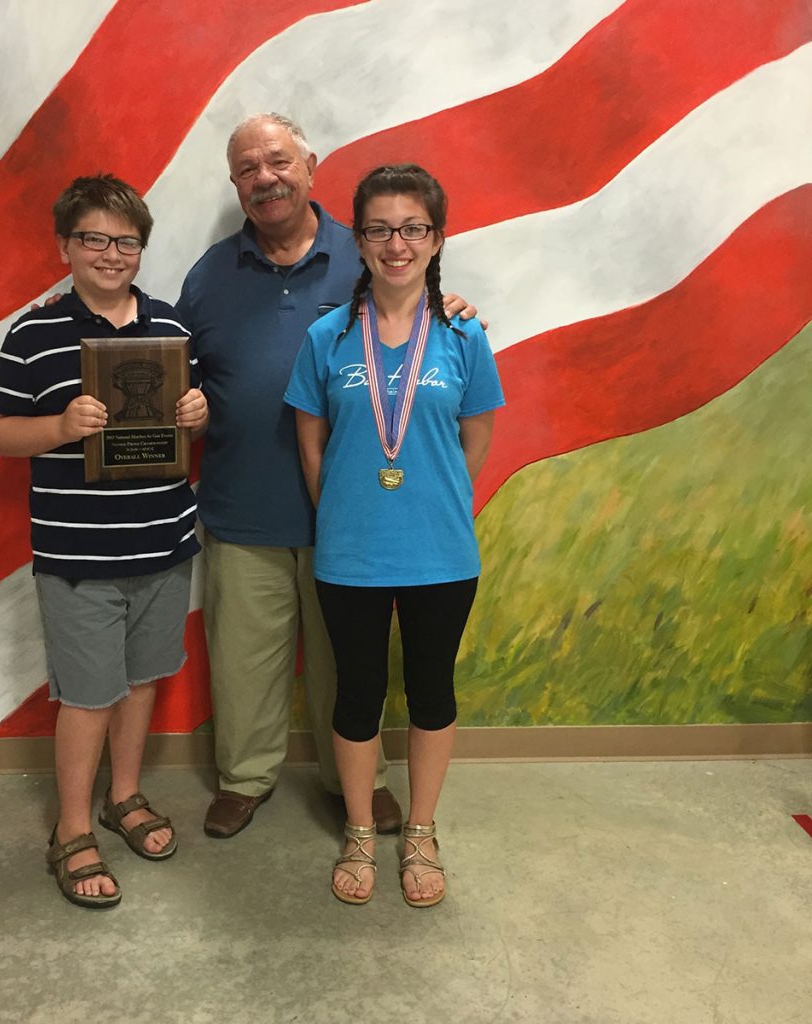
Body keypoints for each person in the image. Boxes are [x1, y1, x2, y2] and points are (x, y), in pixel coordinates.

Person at [178, 114, 478, 839]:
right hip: (243, 508)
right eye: (247, 168)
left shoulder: (367, 251)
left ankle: (363, 784)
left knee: (353, 668)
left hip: (354, 519)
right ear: (235, 186)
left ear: (310, 164)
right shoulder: (211, 274)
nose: (264, 177)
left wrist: (455, 305)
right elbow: (167, 368)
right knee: (245, 664)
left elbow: (423, 327)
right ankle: (245, 778)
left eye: (277, 160)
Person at [0, 174, 208, 909]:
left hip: (164, 541)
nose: (111, 254)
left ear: (141, 248)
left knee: (141, 680)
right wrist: (58, 430)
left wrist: (197, 413)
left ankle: (126, 794)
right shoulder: (34, 332)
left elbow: (186, 424)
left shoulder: (172, 330)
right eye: (95, 239)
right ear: (66, 245)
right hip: (77, 556)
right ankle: (71, 831)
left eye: (126, 241)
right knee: (87, 695)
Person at [284, 164, 504, 906]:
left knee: (433, 690)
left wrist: (435, 500)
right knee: (357, 692)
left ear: (437, 238)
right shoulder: (326, 336)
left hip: (441, 549)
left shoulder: (465, 334)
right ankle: (356, 829)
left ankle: (420, 831)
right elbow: (310, 444)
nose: (396, 243)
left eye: (413, 227)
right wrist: (345, 510)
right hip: (350, 550)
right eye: (379, 228)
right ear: (360, 240)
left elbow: (476, 437)